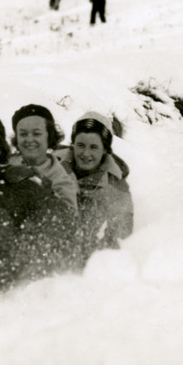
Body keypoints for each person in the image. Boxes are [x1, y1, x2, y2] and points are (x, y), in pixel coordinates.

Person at [0, 104, 81, 290]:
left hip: (31, 248)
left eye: (36, 133)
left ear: (49, 136)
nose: (29, 140)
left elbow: (66, 222)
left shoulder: (63, 178)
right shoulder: (4, 163)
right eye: (23, 134)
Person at [57, 111, 133, 263]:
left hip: (81, 254)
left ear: (105, 149)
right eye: (80, 145)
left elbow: (119, 237)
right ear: (72, 145)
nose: (86, 153)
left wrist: (93, 260)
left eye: (93, 147)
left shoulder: (115, 186)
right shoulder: (52, 163)